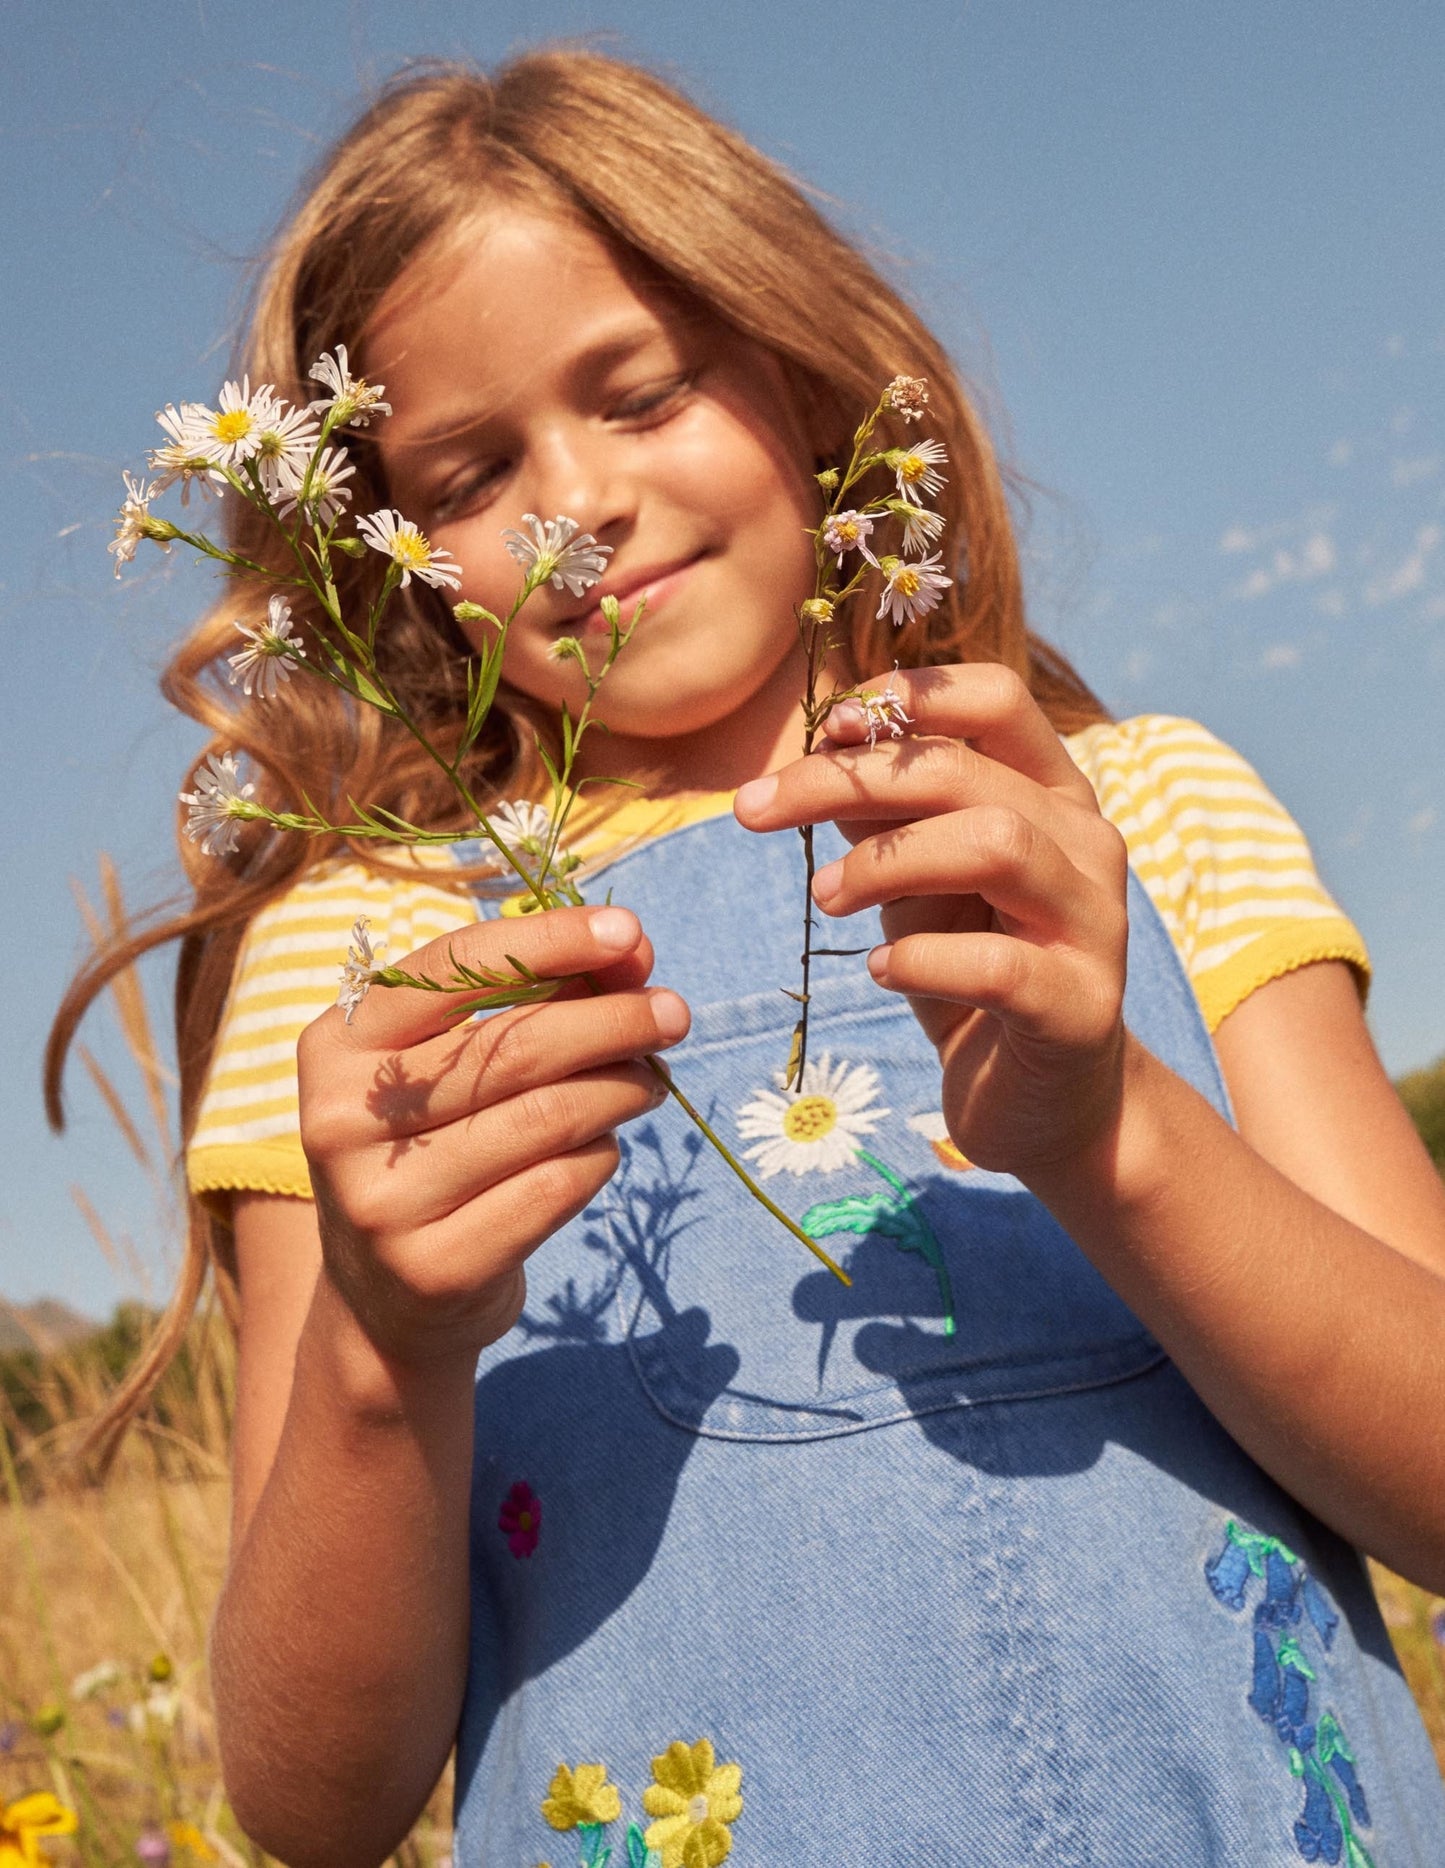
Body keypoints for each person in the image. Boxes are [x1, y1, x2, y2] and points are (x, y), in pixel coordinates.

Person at [48, 49, 1445, 1868]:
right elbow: (311, 1807)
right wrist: (385, 1359)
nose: (580, 510)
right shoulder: (365, 960)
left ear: (799, 372)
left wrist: (1109, 1129)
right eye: (470, 472)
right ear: (395, 560)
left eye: (641, 392)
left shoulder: (1131, 813)